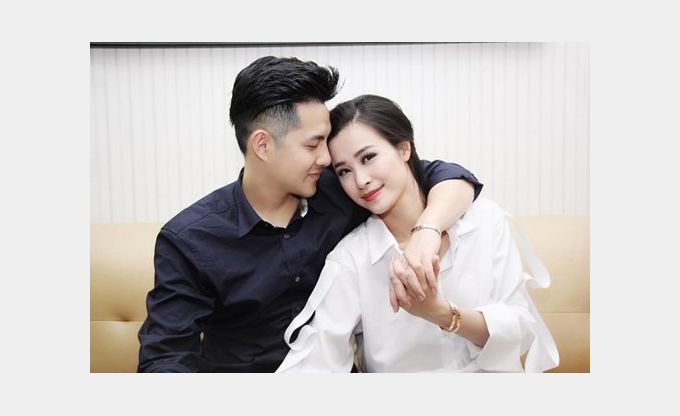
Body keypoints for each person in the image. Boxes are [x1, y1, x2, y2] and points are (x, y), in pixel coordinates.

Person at [137, 57, 483, 372]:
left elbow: (443, 176)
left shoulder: (342, 188)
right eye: (313, 144)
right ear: (263, 145)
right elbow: (165, 360)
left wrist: (427, 231)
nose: (327, 158)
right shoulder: (190, 240)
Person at [276, 94, 559, 373]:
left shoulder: (485, 221)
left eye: (368, 157)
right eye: (344, 171)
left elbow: (521, 331)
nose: (361, 180)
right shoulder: (352, 258)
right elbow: (317, 361)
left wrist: (442, 314)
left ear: (403, 148)